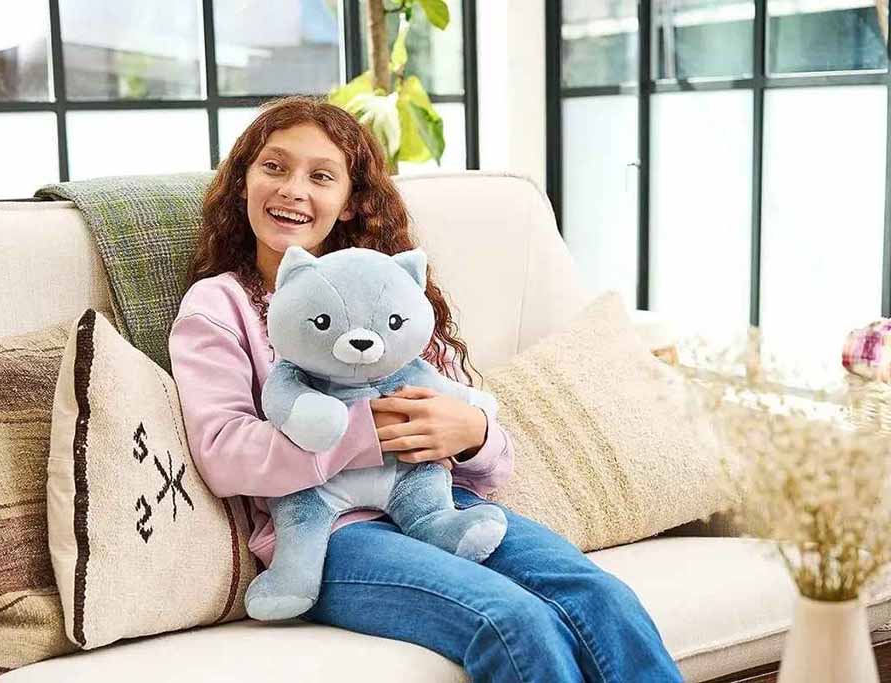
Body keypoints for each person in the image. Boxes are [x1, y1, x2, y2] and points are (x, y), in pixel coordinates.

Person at [168, 95, 684, 683]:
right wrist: (367, 433)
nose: (293, 189)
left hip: (441, 503)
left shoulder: (390, 290)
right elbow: (224, 454)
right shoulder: (219, 305)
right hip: (333, 537)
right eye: (274, 167)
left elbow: (480, 444)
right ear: (242, 182)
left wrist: (474, 435)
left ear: (349, 201)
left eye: (321, 176)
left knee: (602, 599)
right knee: (512, 621)